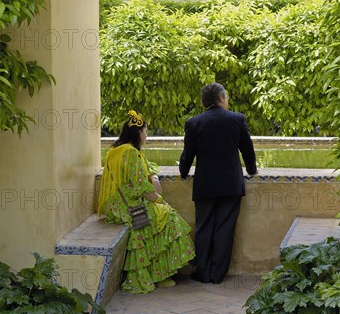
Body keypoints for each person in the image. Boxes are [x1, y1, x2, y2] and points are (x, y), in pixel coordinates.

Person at [98, 110, 195, 293]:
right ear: (138, 133)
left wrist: (152, 176)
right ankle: (157, 275)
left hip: (115, 205)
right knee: (169, 218)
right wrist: (160, 200)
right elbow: (140, 186)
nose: (146, 135)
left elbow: (140, 173)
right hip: (128, 207)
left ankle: (156, 273)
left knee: (158, 217)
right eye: (145, 131)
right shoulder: (132, 153)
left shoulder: (116, 150)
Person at [179, 83, 257, 284]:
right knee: (225, 228)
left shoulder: (194, 123)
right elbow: (247, 150)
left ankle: (202, 272)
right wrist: (252, 170)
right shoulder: (236, 120)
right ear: (221, 99)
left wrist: (183, 172)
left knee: (203, 227)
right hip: (230, 184)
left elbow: (188, 155)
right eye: (227, 97)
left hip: (205, 185)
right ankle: (217, 275)